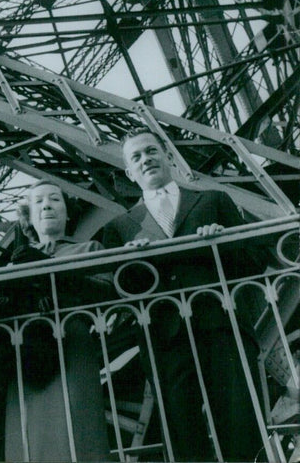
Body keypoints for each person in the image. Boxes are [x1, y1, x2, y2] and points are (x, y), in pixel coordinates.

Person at [102, 128, 267, 462]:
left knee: (242, 425)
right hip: (164, 340)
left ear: (167, 155)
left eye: (151, 151)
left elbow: (254, 262)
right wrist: (131, 263)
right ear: (129, 174)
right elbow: (119, 296)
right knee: (182, 433)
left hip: (223, 329)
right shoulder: (119, 229)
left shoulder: (213, 200)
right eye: (136, 157)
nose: (145, 160)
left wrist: (224, 240)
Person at [0, 181, 111, 463]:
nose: (46, 205)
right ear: (29, 218)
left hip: (71, 345)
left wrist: (49, 275)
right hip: (24, 350)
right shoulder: (12, 262)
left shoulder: (89, 248)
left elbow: (107, 290)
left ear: (68, 212)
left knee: (77, 428)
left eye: (55, 199)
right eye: (38, 202)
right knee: (28, 437)